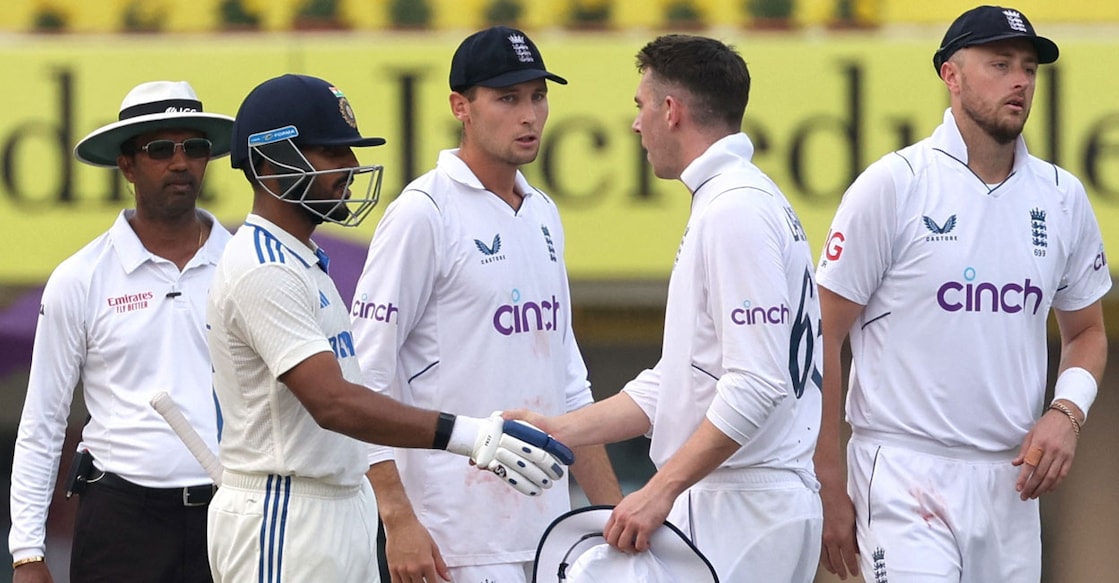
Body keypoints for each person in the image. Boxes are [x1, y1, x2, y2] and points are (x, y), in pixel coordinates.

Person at [206, 73, 574, 583]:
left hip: (336, 505)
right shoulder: (265, 265)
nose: (352, 168)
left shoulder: (303, 261)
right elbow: (335, 402)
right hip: (285, 511)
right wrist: (469, 435)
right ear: (273, 162)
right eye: (332, 153)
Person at [508, 34, 824, 582]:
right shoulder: (739, 198)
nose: (635, 124)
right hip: (753, 502)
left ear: (671, 111)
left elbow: (755, 383)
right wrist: (558, 430)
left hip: (741, 505)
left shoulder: (733, 210)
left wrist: (659, 489)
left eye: (640, 106)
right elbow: (677, 382)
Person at [814, 6, 1111, 582]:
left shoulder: (1063, 197)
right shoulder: (895, 184)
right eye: (1000, 64)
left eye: (1028, 68)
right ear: (951, 75)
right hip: (902, 472)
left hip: (1011, 485)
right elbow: (824, 333)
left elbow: (1087, 333)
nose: (1021, 81)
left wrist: (1066, 413)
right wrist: (827, 479)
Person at [350, 26, 622, 583]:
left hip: (550, 535)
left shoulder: (544, 212)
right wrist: (397, 519)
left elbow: (569, 385)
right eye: (507, 98)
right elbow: (362, 381)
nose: (530, 115)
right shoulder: (423, 212)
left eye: (538, 96)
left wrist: (613, 517)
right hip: (452, 541)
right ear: (461, 107)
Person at [8, 80, 235, 583]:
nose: (181, 162)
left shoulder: (246, 265)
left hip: (234, 516)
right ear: (127, 164)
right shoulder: (80, 277)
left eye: (194, 147)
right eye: (160, 149)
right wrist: (27, 551)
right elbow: (43, 418)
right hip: (121, 522)